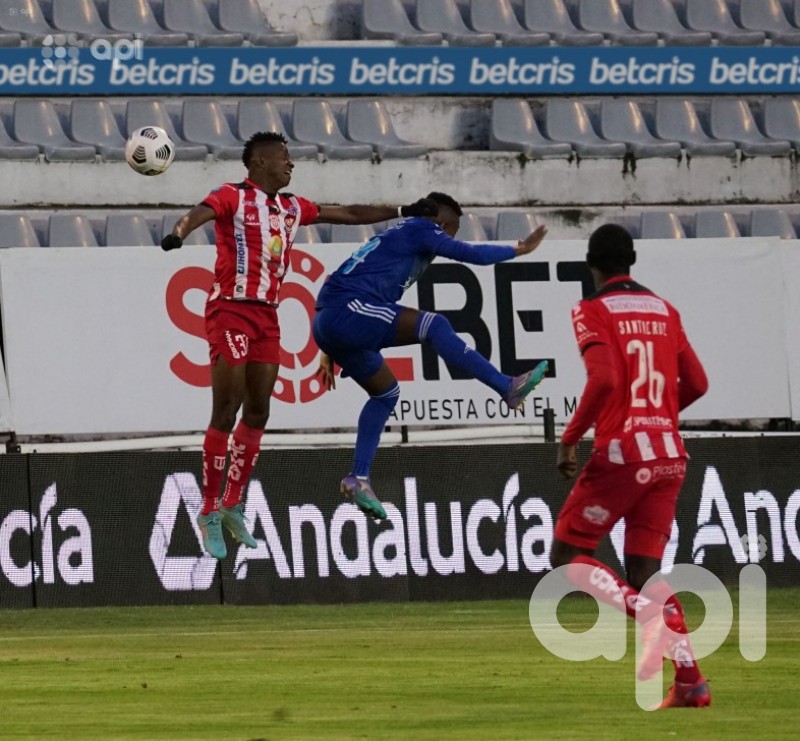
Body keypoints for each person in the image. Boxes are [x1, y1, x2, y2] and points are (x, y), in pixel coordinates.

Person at [161, 131, 437, 560]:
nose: (290, 164)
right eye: (283, 157)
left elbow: (347, 213)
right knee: (227, 407)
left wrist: (402, 211)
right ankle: (209, 510)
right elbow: (200, 212)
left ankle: (232, 504)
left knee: (259, 411)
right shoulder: (233, 196)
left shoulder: (291, 207)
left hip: (267, 317)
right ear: (258, 163)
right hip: (230, 310)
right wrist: (179, 233)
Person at [313, 192, 550, 521]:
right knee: (434, 326)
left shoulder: (398, 233)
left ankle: (359, 478)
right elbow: (470, 254)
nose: (448, 239)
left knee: (385, 393)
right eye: (452, 230)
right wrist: (518, 250)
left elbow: (338, 278)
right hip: (349, 311)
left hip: (334, 319)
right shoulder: (424, 229)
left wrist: (328, 348)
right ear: (443, 223)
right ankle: (506, 387)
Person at [550, 224, 710, 708]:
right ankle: (690, 682)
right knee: (645, 571)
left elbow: (602, 379)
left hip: (624, 454)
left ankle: (648, 617)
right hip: (670, 455)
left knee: (567, 557)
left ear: (591, 265)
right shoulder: (665, 309)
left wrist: (570, 438)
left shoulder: (592, 309)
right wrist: (657, 416)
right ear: (632, 260)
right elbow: (697, 383)